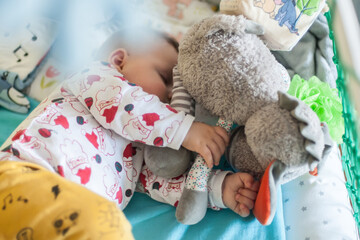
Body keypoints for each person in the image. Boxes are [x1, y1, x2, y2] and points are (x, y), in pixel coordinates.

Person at [0, 29, 259, 238]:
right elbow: (126, 106)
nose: (173, 95)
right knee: (110, 228)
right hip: (27, 174)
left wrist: (218, 187)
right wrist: (184, 129)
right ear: (119, 60)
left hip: (64, 213)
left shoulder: (146, 141)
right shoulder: (96, 79)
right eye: (164, 76)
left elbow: (159, 180)